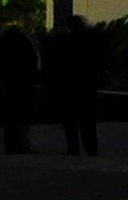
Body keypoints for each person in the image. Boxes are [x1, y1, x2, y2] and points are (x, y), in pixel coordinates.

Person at [43, 15, 103, 157]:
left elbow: (54, 65)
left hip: (68, 88)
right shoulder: (91, 41)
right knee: (87, 121)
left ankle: (73, 148)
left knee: (70, 121)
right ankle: (91, 149)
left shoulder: (63, 42)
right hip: (86, 88)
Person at [0, 22, 38, 155]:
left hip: (10, 83)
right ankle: (20, 146)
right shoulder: (24, 42)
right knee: (21, 115)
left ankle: (12, 146)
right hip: (23, 83)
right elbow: (32, 60)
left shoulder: (4, 43)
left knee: (12, 117)